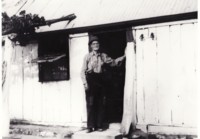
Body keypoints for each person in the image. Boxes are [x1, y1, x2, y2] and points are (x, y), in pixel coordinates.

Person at [81, 36, 126, 133]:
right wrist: (85, 83)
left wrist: (124, 56)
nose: (96, 45)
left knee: (100, 104)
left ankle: (99, 125)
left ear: (99, 45)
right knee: (91, 104)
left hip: (100, 81)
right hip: (91, 81)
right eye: (93, 44)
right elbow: (82, 72)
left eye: (97, 43)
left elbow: (113, 62)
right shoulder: (87, 57)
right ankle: (90, 126)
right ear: (90, 46)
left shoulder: (103, 56)